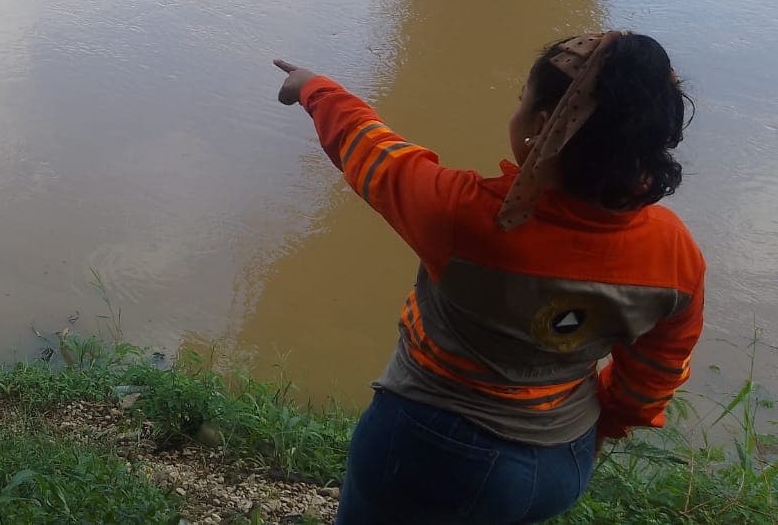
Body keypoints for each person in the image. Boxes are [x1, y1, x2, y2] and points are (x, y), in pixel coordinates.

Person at [272, 31, 704, 525]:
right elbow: (655, 376)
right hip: (558, 462)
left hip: (426, 447)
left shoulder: (466, 217)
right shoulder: (674, 255)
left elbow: (371, 154)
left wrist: (315, 88)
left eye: (521, 99)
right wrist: (598, 429)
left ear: (543, 127)